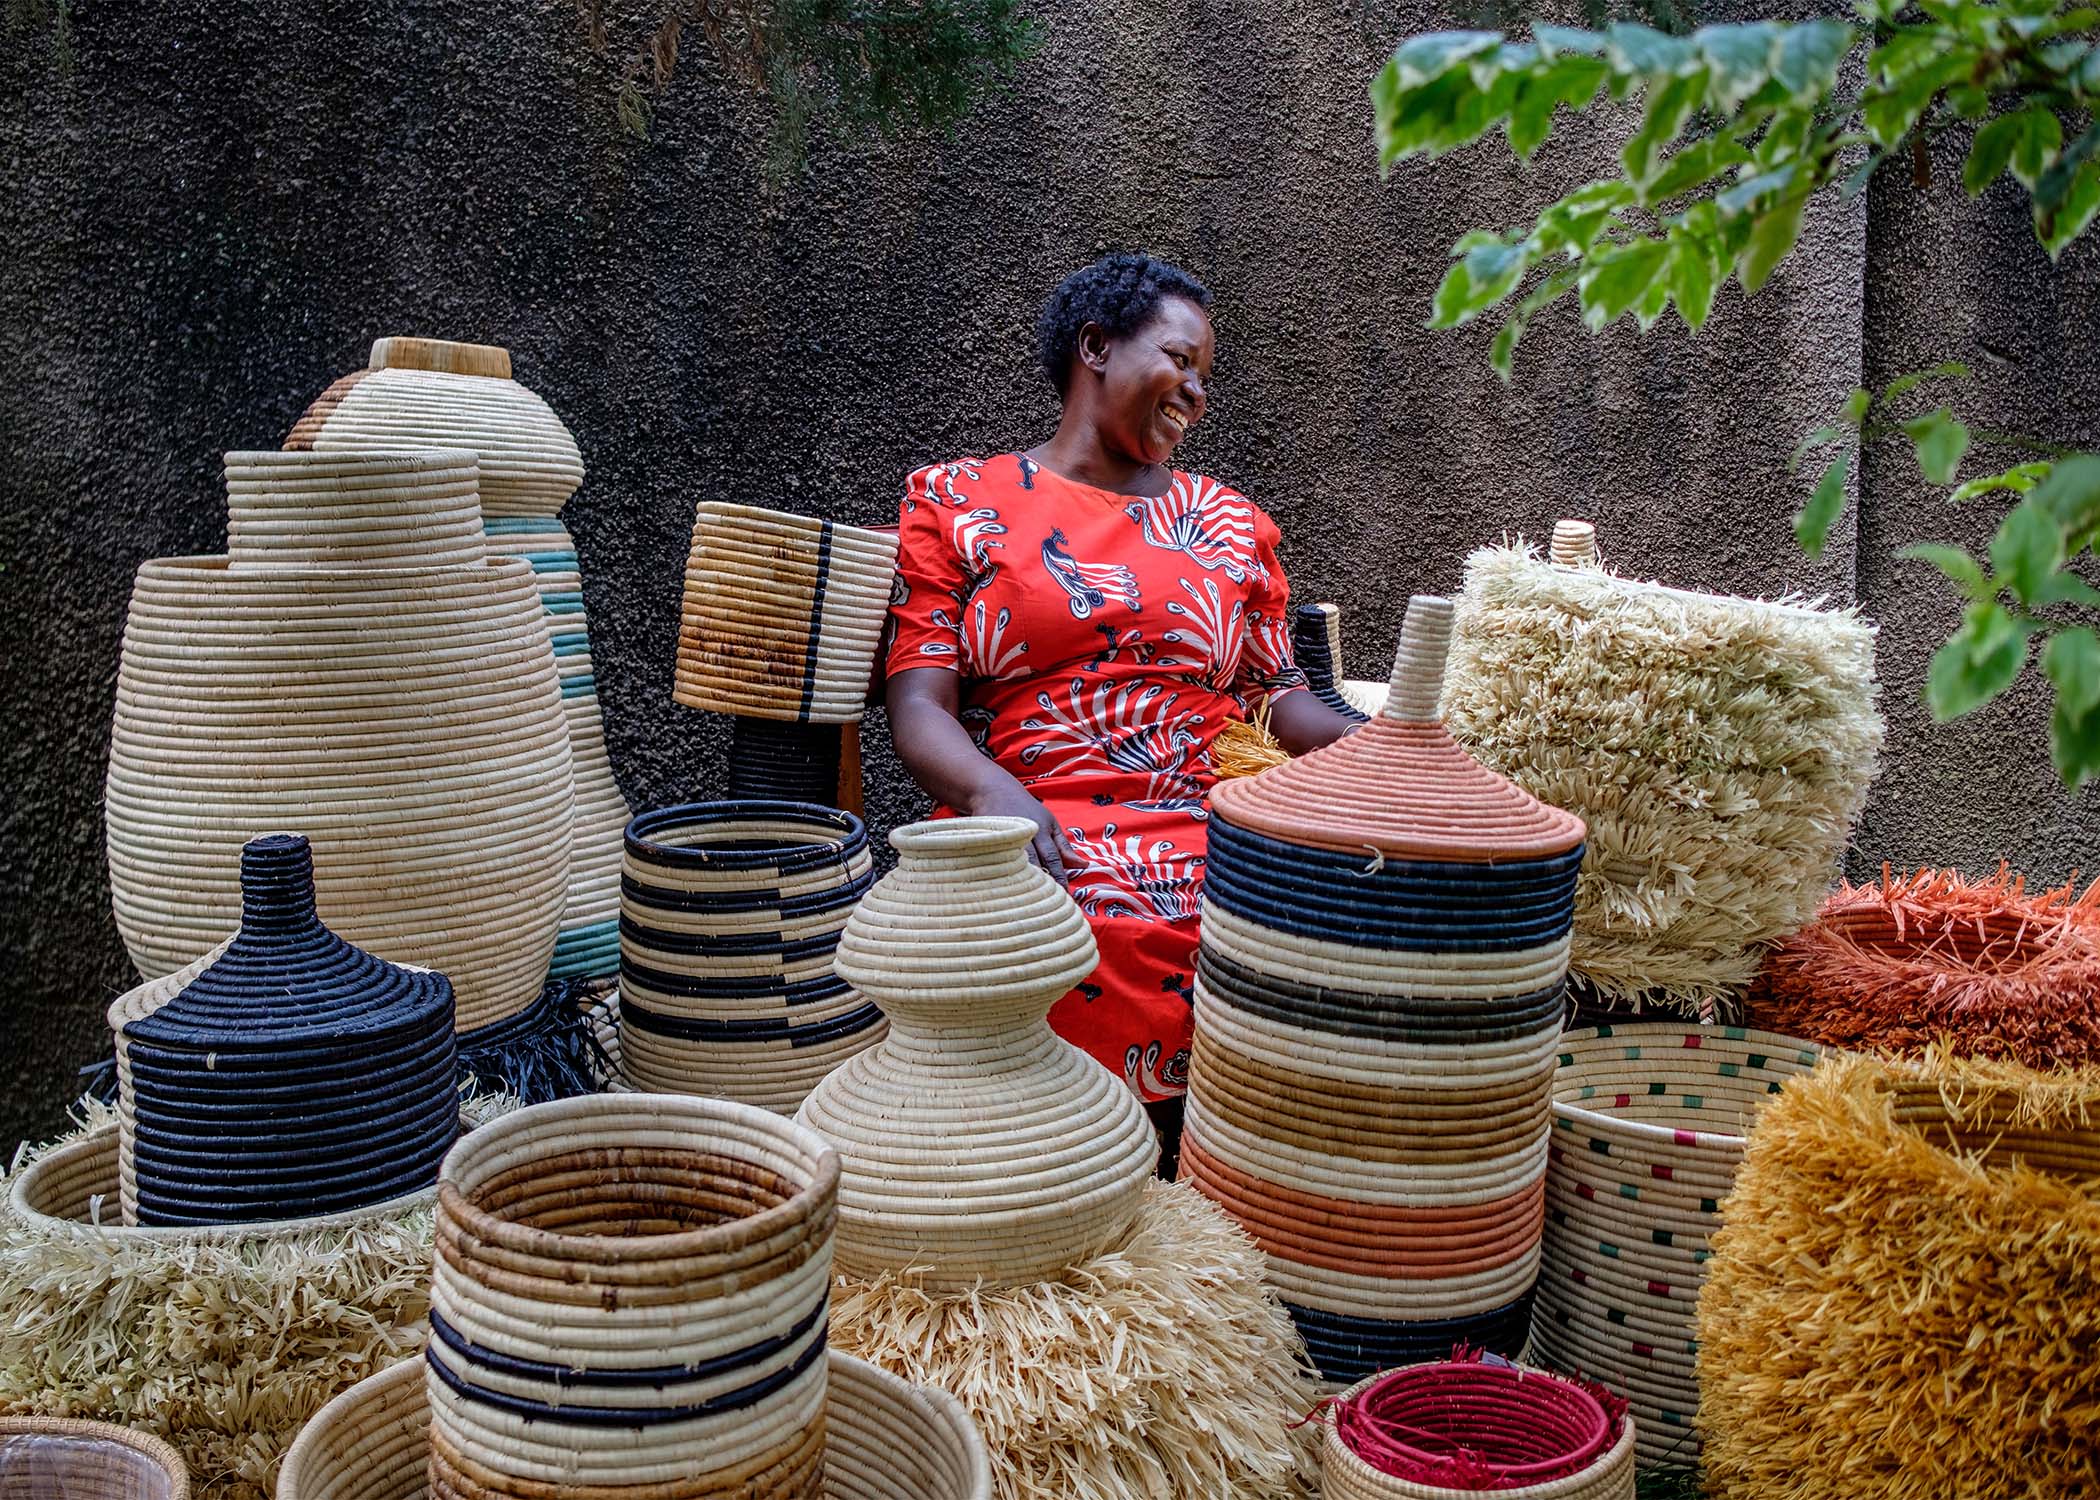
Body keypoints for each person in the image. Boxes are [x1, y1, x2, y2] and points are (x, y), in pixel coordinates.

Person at [884, 251, 1361, 1169]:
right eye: (1180, 360)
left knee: (1315, 906)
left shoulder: (1230, 523)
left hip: (1212, 809)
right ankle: (1087, 1176)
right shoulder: (959, 503)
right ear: (1095, 347)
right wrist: (993, 798)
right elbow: (919, 707)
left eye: (1206, 377)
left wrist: (1400, 751)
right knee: (1089, 915)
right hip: (1035, 806)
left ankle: (1251, 1183)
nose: (1196, 390)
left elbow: (1280, 703)